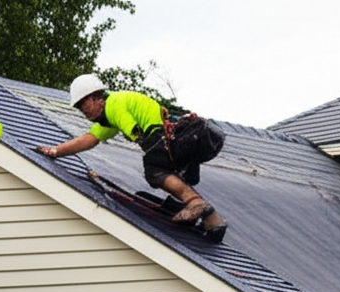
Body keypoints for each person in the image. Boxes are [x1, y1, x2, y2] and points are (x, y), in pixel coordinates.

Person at [37, 74, 227, 242]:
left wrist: (136, 134)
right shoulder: (108, 117)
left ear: (95, 97)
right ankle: (213, 221)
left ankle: (194, 202)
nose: (82, 110)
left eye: (82, 104)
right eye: (79, 107)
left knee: (155, 171)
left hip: (155, 132)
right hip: (170, 134)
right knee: (170, 174)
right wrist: (56, 151)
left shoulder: (114, 105)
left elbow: (131, 126)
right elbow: (88, 139)